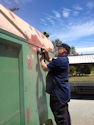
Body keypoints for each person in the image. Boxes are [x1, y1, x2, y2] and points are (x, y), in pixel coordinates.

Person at [40, 43, 71, 125]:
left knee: (61, 118)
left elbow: (45, 68)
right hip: (62, 93)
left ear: (64, 50)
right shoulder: (63, 60)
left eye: (60, 48)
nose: (58, 49)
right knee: (64, 116)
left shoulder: (60, 60)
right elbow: (50, 60)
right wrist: (46, 53)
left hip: (58, 94)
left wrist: (41, 60)